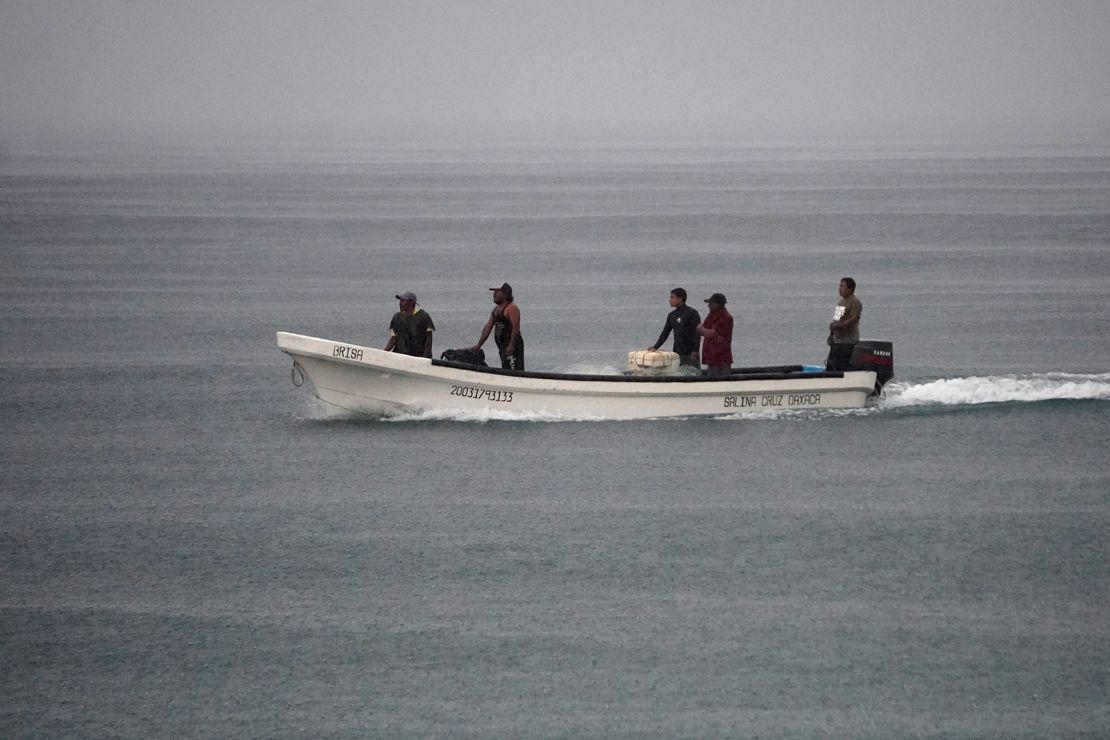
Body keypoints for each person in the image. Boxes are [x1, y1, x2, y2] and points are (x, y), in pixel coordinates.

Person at [472, 282, 524, 371]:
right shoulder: (496, 310)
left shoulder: (512, 308)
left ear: (505, 294)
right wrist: (478, 345)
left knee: (514, 369)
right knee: (505, 368)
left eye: (497, 292)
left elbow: (516, 327)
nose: (494, 294)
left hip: (512, 346)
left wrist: (511, 345)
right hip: (502, 346)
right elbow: (488, 328)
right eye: (494, 292)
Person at [647, 287, 701, 368]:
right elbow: (665, 333)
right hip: (677, 353)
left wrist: (696, 350)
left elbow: (698, 332)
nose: (670, 300)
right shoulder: (672, 315)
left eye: (672, 297)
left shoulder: (692, 313)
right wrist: (655, 347)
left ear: (680, 299)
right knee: (680, 374)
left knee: (693, 373)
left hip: (691, 352)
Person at [825, 277, 862, 371]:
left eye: (843, 286)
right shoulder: (841, 303)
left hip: (848, 341)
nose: (840, 289)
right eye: (840, 286)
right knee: (831, 364)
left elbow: (854, 318)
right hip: (838, 340)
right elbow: (836, 320)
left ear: (850, 289)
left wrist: (839, 326)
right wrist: (831, 334)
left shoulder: (855, 302)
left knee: (843, 365)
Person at [383, 291, 435, 358]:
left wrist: (425, 358)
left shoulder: (424, 317)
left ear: (411, 302)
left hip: (418, 357)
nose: (400, 303)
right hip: (400, 356)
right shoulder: (397, 318)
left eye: (403, 301)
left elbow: (429, 340)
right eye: (400, 301)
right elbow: (393, 339)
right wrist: (383, 354)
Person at [697, 292, 733, 375]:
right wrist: (704, 330)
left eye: (710, 303)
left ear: (717, 305)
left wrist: (702, 328)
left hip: (721, 359)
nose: (708, 306)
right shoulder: (711, 315)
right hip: (711, 358)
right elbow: (702, 331)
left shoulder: (725, 317)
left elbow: (710, 333)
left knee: (721, 383)